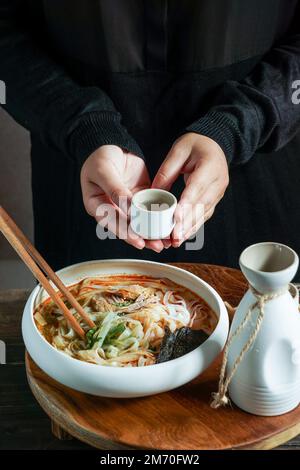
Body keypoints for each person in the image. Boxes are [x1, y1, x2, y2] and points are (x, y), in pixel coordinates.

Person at [0, 1, 300, 274]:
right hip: (85, 178)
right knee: (78, 329)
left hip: (258, 183)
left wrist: (239, 124)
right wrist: (84, 126)